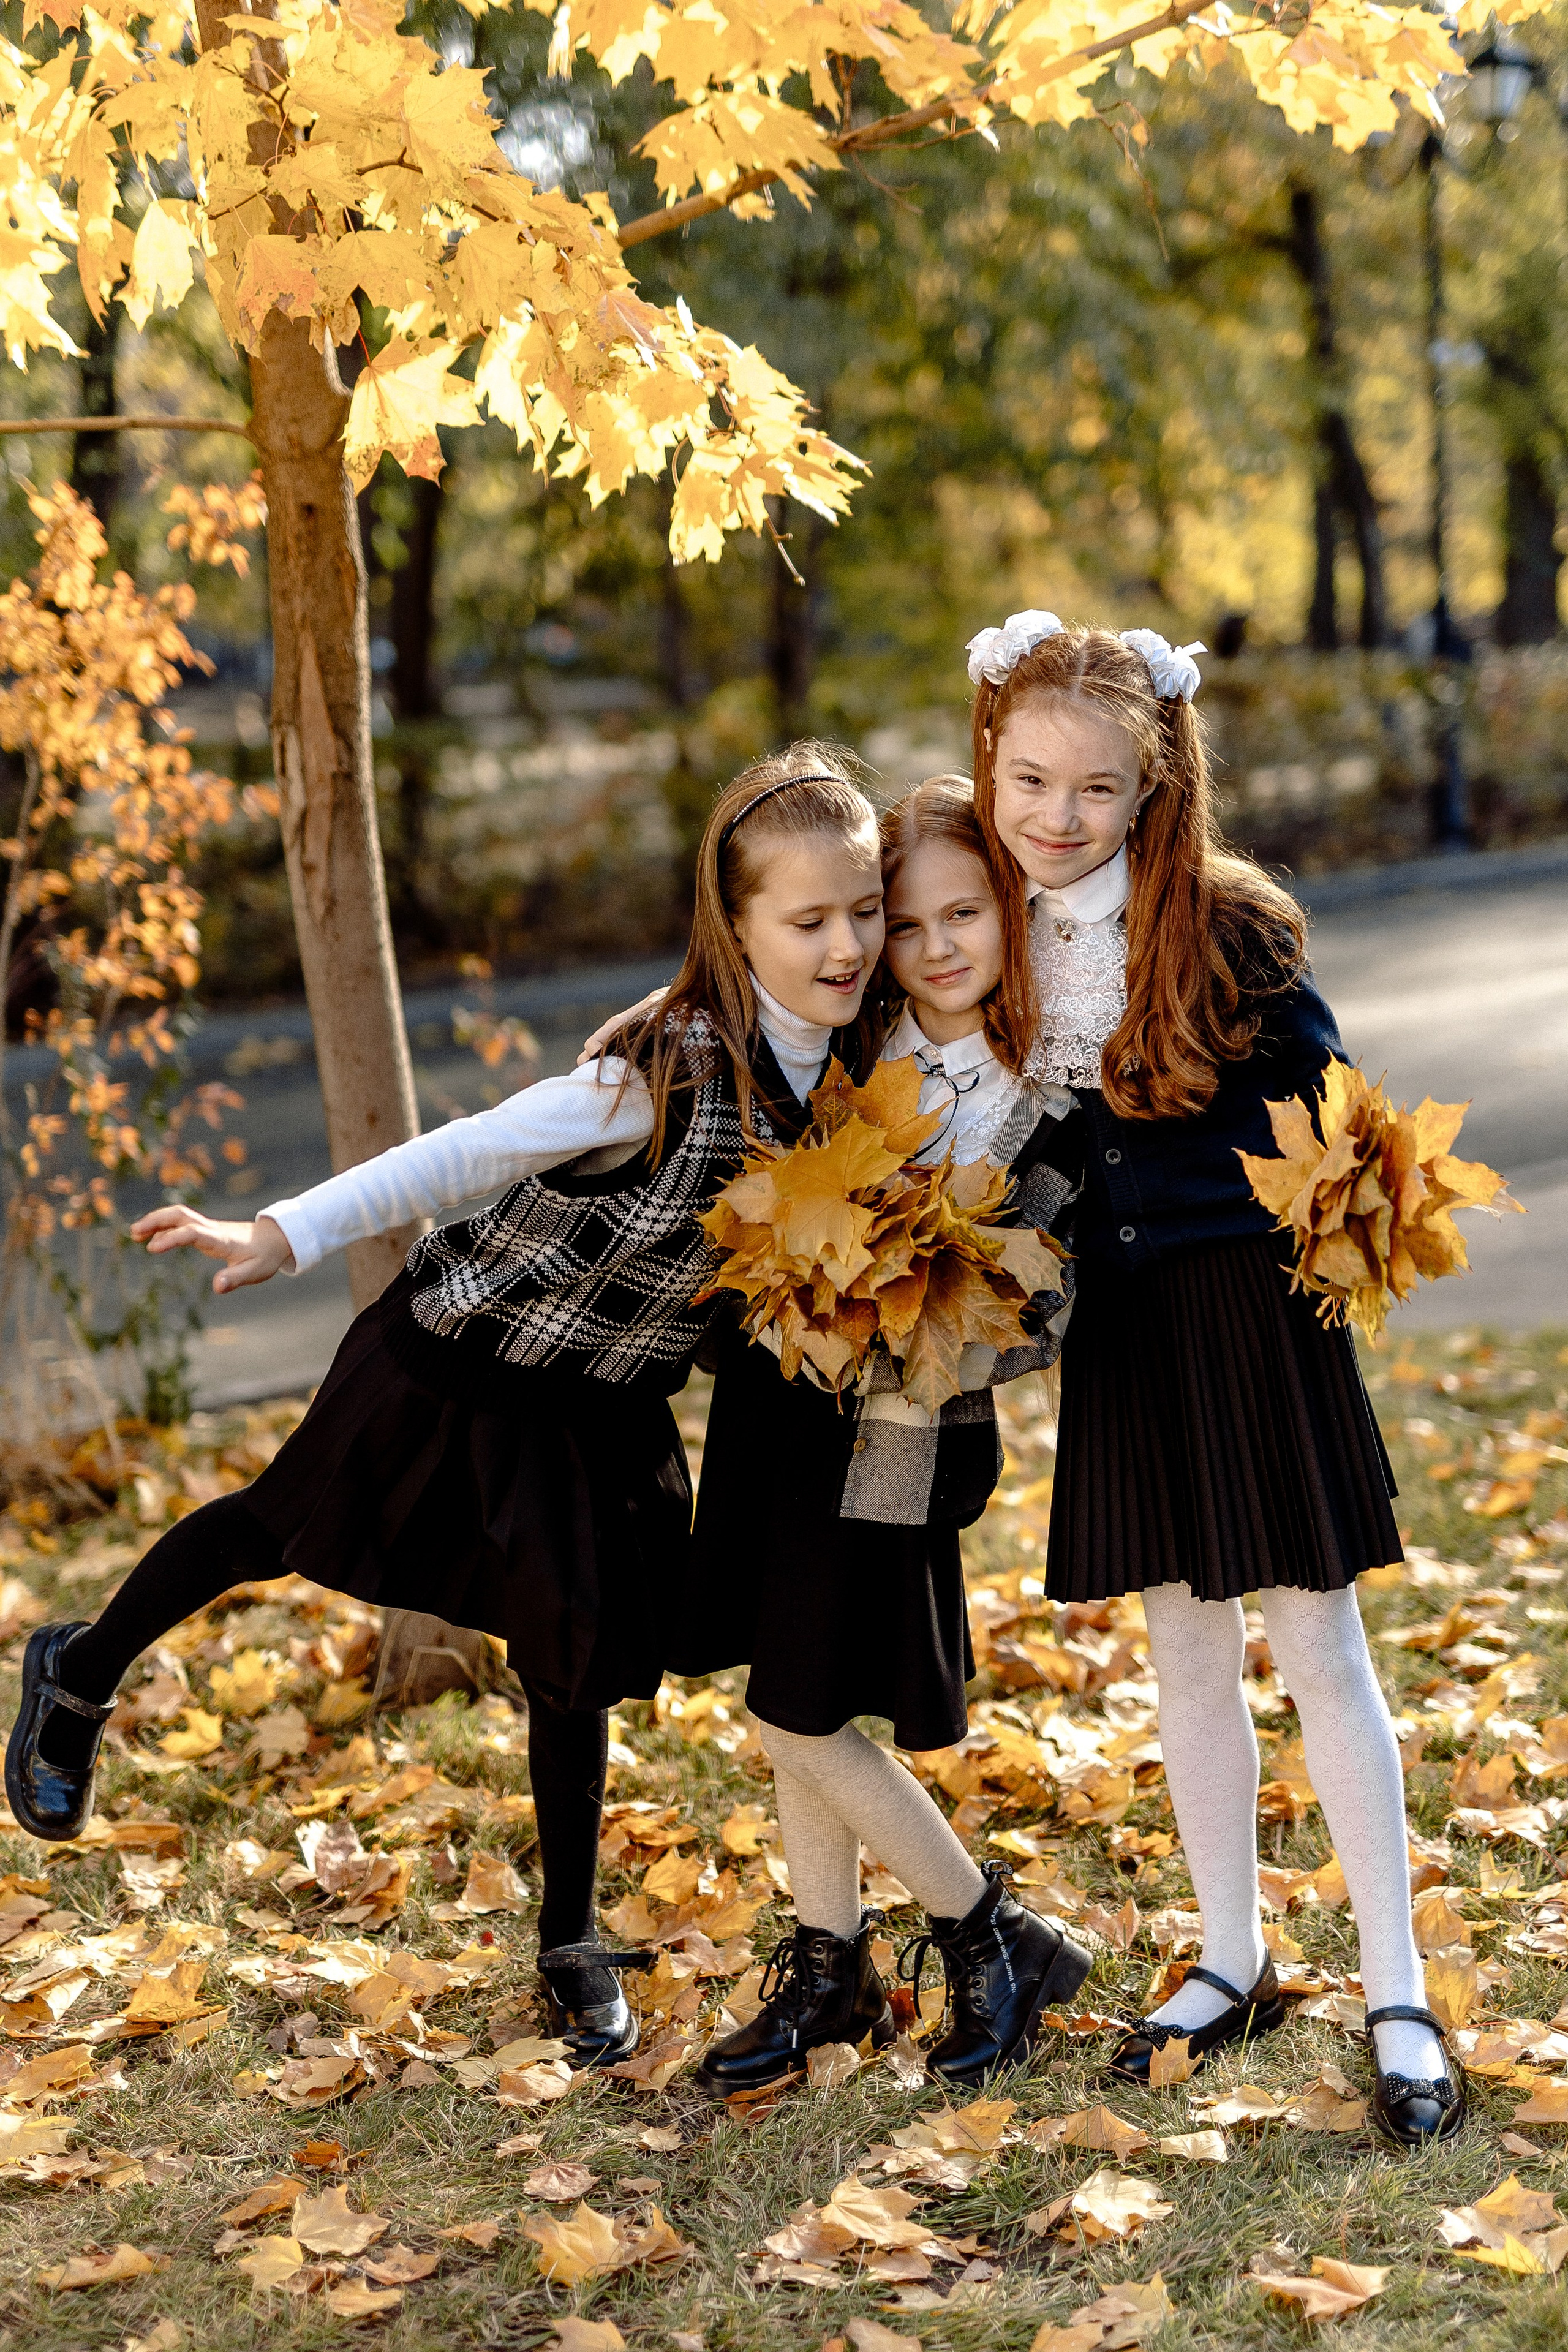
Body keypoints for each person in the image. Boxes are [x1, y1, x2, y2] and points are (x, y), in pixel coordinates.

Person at [5, 747, 884, 2074]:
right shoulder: (649, 1070)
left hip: (601, 1400)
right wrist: (286, 1227)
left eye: (861, 913)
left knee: (575, 1654)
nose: (844, 945)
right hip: (457, 1356)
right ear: (736, 925)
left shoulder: (854, 1069)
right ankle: (77, 1671)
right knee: (273, 1529)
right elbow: (464, 1149)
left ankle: (568, 1942)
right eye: (806, 922)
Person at [965, 610, 1463, 2147]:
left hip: (1249, 1319)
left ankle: (1395, 1988)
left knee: (1315, 1644)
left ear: (1153, 790)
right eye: (1029, 779)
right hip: (1119, 1335)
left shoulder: (1228, 925)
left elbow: (1328, 1122)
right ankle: (1232, 1955)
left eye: (1094, 792)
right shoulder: (980, 926)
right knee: (1180, 1649)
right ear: (986, 762)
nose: (1056, 816)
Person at [672, 773, 1091, 2095]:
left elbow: (1043, 1304)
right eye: (903, 927)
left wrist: (915, 1293)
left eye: (963, 915)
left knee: (796, 1712)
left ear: (1008, 918)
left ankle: (988, 1932)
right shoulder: (855, 1045)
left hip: (895, 1438)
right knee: (796, 1686)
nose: (931, 948)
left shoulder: (1045, 1097)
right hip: (777, 1416)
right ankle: (827, 1966)